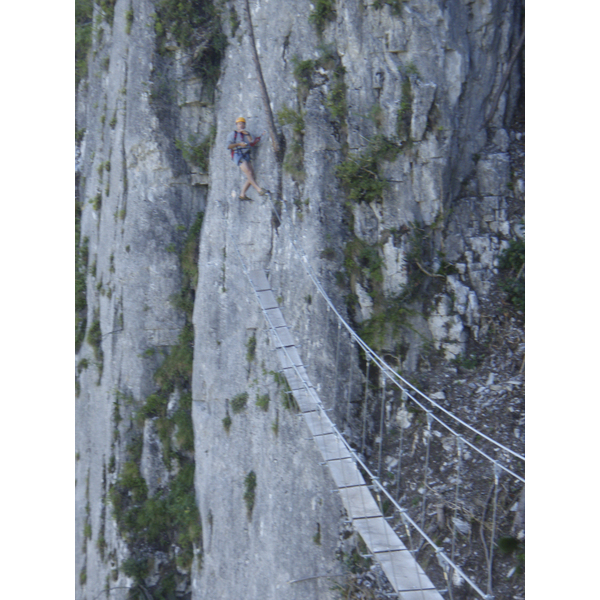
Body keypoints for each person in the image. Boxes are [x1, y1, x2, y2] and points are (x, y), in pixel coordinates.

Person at [227, 117, 267, 201]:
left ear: (245, 125)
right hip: (237, 154)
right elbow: (228, 146)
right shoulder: (232, 134)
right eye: (239, 124)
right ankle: (259, 190)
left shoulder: (248, 134)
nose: (241, 125)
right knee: (248, 172)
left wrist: (247, 134)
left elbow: (251, 143)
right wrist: (238, 144)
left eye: (242, 123)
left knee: (251, 174)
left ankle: (242, 194)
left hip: (246, 154)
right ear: (236, 125)